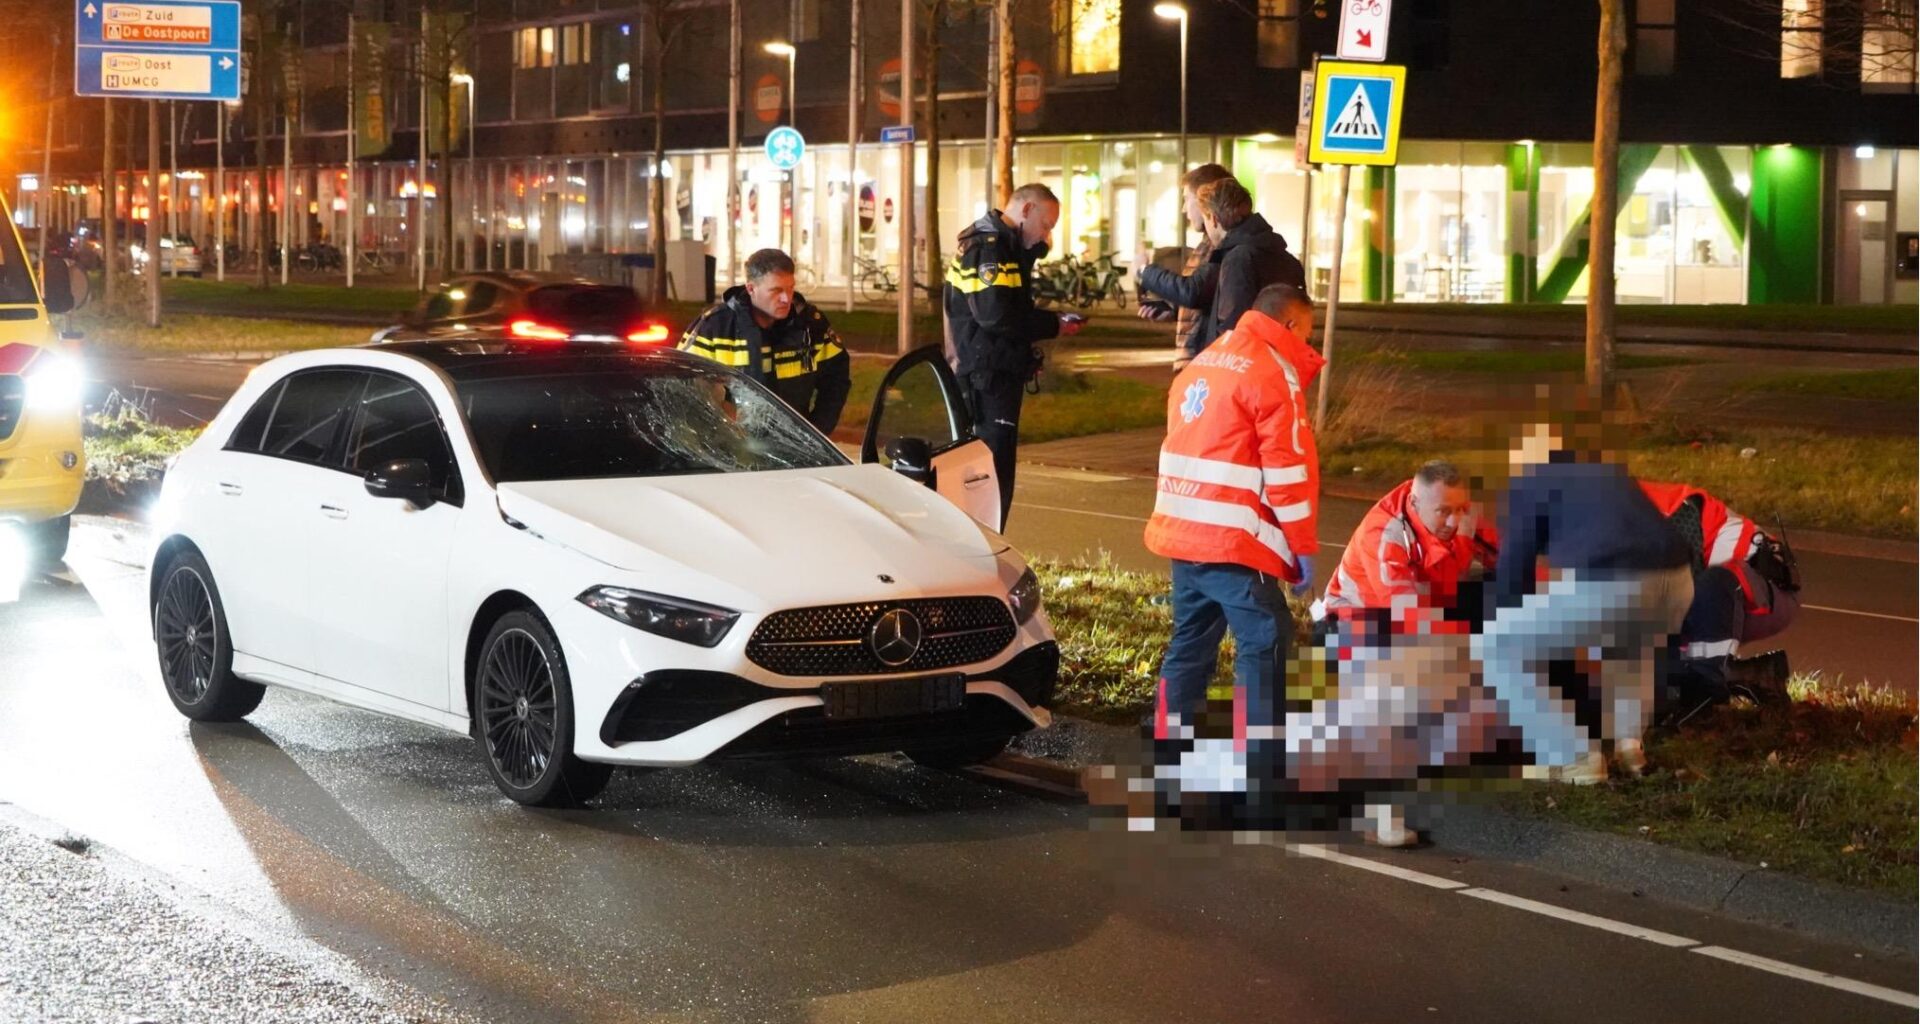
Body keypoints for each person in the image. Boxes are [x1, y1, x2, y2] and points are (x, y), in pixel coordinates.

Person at [1143, 283, 1322, 753]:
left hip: (1182, 534)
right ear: (1289, 324)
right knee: (1267, 640)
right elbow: (1288, 471)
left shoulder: (1203, 361)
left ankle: (1169, 745)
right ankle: (1257, 763)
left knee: (1190, 643)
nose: (1308, 343)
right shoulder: (1271, 372)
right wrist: (1301, 546)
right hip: (1234, 542)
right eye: (1306, 332)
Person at [1474, 423, 1694, 784]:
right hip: (1678, 578)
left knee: (1497, 643)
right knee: (1630, 649)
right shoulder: (1603, 470)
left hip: (1617, 579)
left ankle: (1571, 755)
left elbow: (1514, 572)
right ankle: (1629, 749)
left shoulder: (1532, 478)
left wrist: (1507, 616)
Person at [942, 183, 1085, 526]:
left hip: (993, 370)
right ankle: (986, 545)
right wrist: (1053, 324)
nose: (1047, 234)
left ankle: (986, 542)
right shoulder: (988, 249)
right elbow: (997, 315)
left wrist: (1034, 246)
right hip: (985, 376)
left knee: (993, 468)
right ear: (1025, 210)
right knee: (991, 471)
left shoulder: (1002, 245)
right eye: (1047, 224)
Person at [1638, 480, 1800, 717]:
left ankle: (1703, 690)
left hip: (1766, 589)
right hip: (1717, 601)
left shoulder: (1665, 511)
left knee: (1701, 591)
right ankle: (1754, 675)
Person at [678, 248, 850, 433]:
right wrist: (720, 430)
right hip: (731, 449)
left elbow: (836, 378)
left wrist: (817, 432)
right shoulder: (715, 328)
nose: (786, 299)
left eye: (790, 288)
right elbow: (682, 383)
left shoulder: (810, 325)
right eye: (776, 290)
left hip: (796, 449)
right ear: (751, 288)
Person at [1141, 176, 1305, 366]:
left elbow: (1231, 326)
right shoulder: (1285, 258)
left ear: (1214, 219)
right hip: (1281, 366)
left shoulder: (1238, 258)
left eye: (1205, 219)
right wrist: (1175, 311)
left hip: (1241, 371)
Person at [1318, 459, 1500, 627]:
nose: (1454, 522)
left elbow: (1512, 557)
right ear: (1414, 503)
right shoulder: (1384, 534)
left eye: (1460, 509)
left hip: (1428, 605)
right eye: (1443, 512)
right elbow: (1406, 615)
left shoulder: (1461, 510)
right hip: (1353, 616)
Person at [1136, 163, 1236, 374]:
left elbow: (1193, 291)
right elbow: (1203, 298)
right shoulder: (1207, 244)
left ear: (1203, 200)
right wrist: (1173, 311)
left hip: (1205, 363)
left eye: (1186, 199)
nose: (1183, 209)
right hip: (1198, 361)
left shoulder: (1221, 245)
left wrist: (1145, 271)